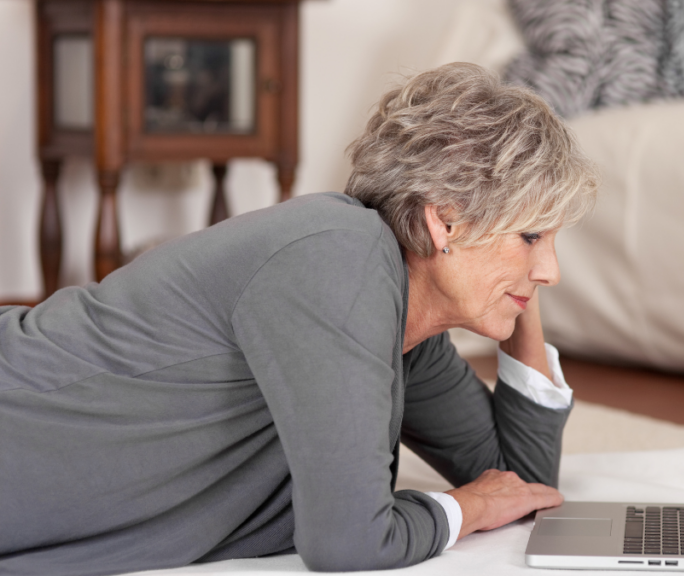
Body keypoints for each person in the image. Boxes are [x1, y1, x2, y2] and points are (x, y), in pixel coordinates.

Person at [0, 62, 598, 575]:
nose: (553, 270)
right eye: (531, 235)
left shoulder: (406, 322)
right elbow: (349, 542)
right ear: (445, 222)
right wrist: (464, 509)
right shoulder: (337, 257)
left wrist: (517, 284)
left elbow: (521, 486)